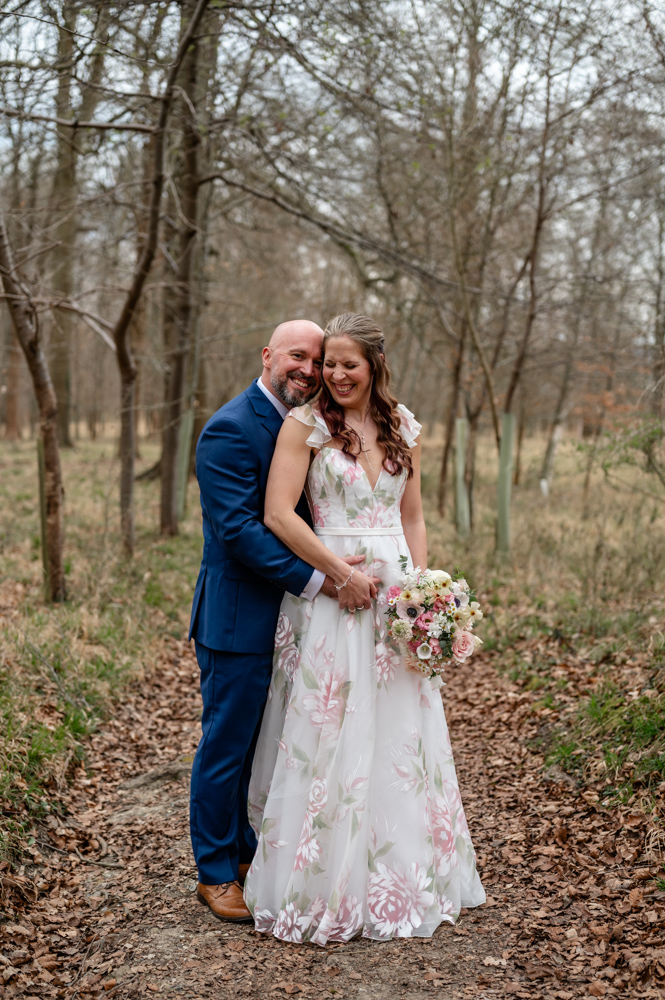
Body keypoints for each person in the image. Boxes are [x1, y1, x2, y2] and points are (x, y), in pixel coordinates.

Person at [244, 313, 486, 943]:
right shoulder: (305, 427)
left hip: (396, 596)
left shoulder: (402, 425)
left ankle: (406, 870)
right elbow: (276, 514)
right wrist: (335, 572)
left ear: (375, 364)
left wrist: (424, 589)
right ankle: (323, 879)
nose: (336, 374)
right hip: (335, 589)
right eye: (329, 363)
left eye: (349, 363)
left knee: (400, 730)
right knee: (331, 724)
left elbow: (414, 515)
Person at [189, 319, 378, 923]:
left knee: (264, 742)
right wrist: (325, 579)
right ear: (268, 354)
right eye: (298, 355)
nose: (310, 368)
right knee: (227, 744)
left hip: (298, 623)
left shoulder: (311, 424)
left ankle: (246, 852)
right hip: (240, 617)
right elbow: (240, 531)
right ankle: (214, 872)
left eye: (318, 359)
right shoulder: (230, 427)